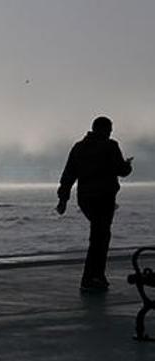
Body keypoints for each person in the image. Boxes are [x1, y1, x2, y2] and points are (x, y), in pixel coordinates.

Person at [56, 116, 133, 292]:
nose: (111, 132)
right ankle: (91, 277)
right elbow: (121, 170)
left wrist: (63, 199)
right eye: (110, 129)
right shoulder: (110, 146)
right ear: (104, 129)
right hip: (104, 197)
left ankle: (96, 276)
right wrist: (128, 165)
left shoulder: (78, 147)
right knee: (101, 237)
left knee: (98, 235)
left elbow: (68, 175)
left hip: (85, 199)